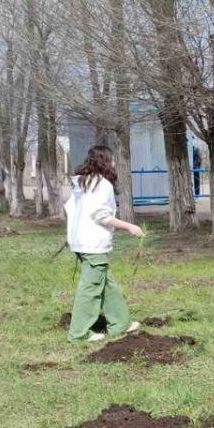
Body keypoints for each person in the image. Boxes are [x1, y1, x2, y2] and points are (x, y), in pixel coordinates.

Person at [64, 144, 142, 342]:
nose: (114, 163)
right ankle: (79, 333)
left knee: (107, 284)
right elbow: (101, 216)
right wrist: (129, 227)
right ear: (104, 162)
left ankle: (120, 323)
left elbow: (69, 209)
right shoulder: (102, 185)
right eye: (112, 160)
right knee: (90, 289)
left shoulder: (82, 183)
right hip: (92, 244)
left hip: (81, 243)